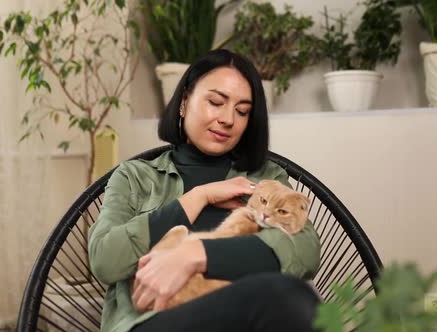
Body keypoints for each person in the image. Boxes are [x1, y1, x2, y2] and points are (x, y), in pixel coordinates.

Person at [88, 49, 321, 332]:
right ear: (184, 102)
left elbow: (306, 250)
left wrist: (196, 254)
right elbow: (105, 260)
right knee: (283, 297)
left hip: (241, 319)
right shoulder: (135, 177)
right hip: (154, 322)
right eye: (215, 102)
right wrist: (199, 197)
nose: (228, 119)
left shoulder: (265, 178)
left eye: (242, 111)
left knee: (289, 297)